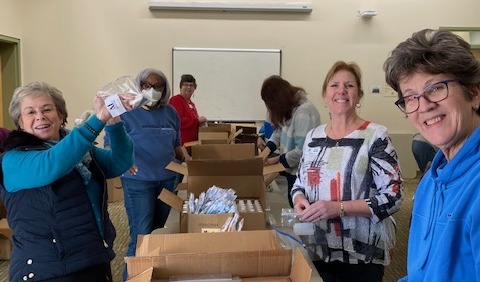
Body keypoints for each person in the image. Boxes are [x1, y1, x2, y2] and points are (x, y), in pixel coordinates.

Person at [0, 81, 134, 281]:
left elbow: (119, 162)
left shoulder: (79, 150)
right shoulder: (14, 159)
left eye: (47, 109)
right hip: (47, 271)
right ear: (20, 122)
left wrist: (113, 121)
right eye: (30, 112)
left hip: (90, 257)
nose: (40, 116)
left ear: (61, 115)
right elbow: (53, 163)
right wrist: (98, 119)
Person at [291, 61, 403, 282]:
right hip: (318, 246)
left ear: (359, 95)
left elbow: (393, 198)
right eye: (334, 85)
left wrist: (339, 208)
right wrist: (299, 198)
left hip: (361, 253)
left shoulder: (375, 136)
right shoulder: (313, 136)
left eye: (349, 86)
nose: (341, 91)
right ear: (325, 95)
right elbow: (299, 183)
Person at [384, 29, 480, 281]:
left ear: (474, 93)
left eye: (436, 88)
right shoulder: (431, 180)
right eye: (411, 97)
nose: (424, 105)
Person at [103, 68, 183, 280]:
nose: (152, 90)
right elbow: (111, 145)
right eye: (146, 86)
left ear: (164, 90)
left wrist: (191, 164)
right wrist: (122, 160)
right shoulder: (126, 112)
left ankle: (149, 276)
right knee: (141, 236)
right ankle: (131, 277)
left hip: (167, 180)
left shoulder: (171, 113)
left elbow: (176, 146)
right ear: (138, 88)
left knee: (157, 235)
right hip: (138, 182)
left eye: (157, 86)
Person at [260, 75, 321, 207]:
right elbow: (278, 132)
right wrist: (265, 153)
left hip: (303, 172)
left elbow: (302, 150)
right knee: (292, 202)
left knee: (300, 207)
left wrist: (276, 160)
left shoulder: (303, 112)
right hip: (291, 168)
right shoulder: (289, 110)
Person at [169, 74, 208, 147]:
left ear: (195, 88)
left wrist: (201, 123)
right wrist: (197, 120)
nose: (188, 87)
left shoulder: (192, 104)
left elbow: (193, 122)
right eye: (185, 84)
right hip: (180, 147)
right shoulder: (176, 100)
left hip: (191, 145)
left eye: (191, 85)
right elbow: (176, 121)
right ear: (181, 87)